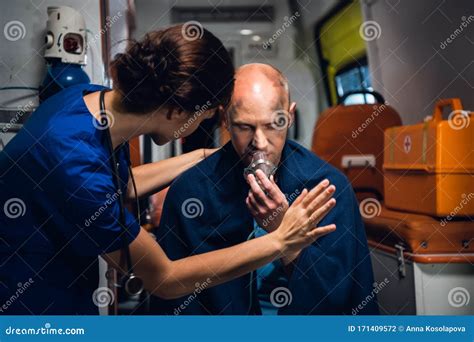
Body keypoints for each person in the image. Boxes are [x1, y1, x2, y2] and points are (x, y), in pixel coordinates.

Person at [0, 26, 337, 315]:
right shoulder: (72, 162)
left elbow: (120, 187)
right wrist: (281, 240)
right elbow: (164, 279)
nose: (199, 128)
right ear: (178, 112)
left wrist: (206, 154)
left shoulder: (85, 98)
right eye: (203, 120)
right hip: (29, 300)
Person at [151, 63, 378, 315]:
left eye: (272, 125)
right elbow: (174, 305)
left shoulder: (326, 186)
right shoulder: (191, 191)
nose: (259, 143)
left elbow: (338, 301)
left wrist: (284, 232)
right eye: (244, 127)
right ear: (225, 119)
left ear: (290, 116)